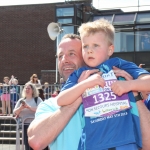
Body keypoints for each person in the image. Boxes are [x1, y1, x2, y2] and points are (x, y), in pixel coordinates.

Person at [28, 34, 150, 150]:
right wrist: (80, 92)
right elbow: (36, 141)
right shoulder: (50, 105)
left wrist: (134, 95)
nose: (64, 60)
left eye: (72, 54)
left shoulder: (116, 96)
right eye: (60, 56)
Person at [56, 19, 150, 150]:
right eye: (85, 46)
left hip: (125, 141)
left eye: (95, 45)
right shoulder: (80, 74)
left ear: (110, 49)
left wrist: (128, 85)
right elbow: (61, 99)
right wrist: (85, 84)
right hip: (92, 143)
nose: (89, 50)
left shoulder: (119, 64)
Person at [13, 83, 43, 150]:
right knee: (27, 144)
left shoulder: (37, 99)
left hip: (35, 126)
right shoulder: (21, 100)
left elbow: (41, 109)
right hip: (25, 126)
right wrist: (21, 108)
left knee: (36, 145)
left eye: (29, 88)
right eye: (26, 88)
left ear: (33, 90)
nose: (27, 90)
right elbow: (15, 112)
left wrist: (28, 107)